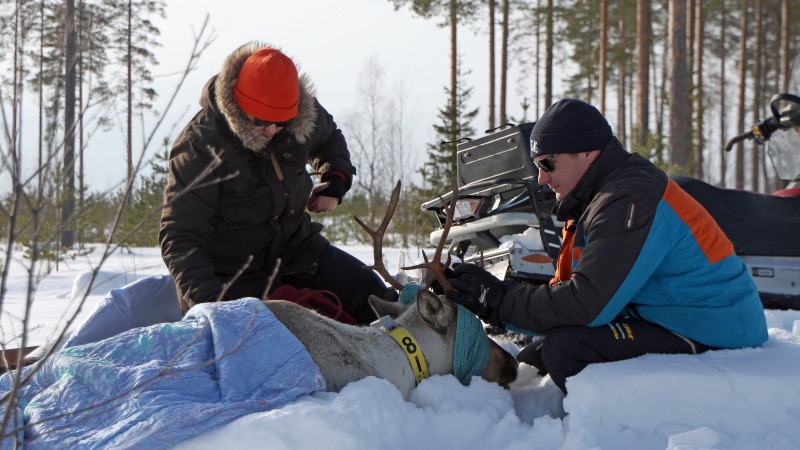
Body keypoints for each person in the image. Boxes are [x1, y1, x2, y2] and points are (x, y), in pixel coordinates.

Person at [446, 98, 768, 393]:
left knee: (565, 349)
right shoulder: (598, 196)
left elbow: (587, 305)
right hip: (671, 314)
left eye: (547, 164)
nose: (542, 178)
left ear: (585, 152)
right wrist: (500, 304)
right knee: (537, 357)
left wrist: (500, 301)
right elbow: (574, 291)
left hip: (716, 328)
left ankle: (617, 429)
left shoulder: (628, 198)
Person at [159, 41, 392, 324]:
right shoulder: (200, 146)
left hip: (299, 253)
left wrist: (335, 181)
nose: (271, 130)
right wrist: (211, 307)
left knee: (380, 304)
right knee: (293, 351)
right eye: (261, 122)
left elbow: (330, 139)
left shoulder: (297, 114)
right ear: (240, 107)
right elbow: (179, 237)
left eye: (280, 122)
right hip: (234, 278)